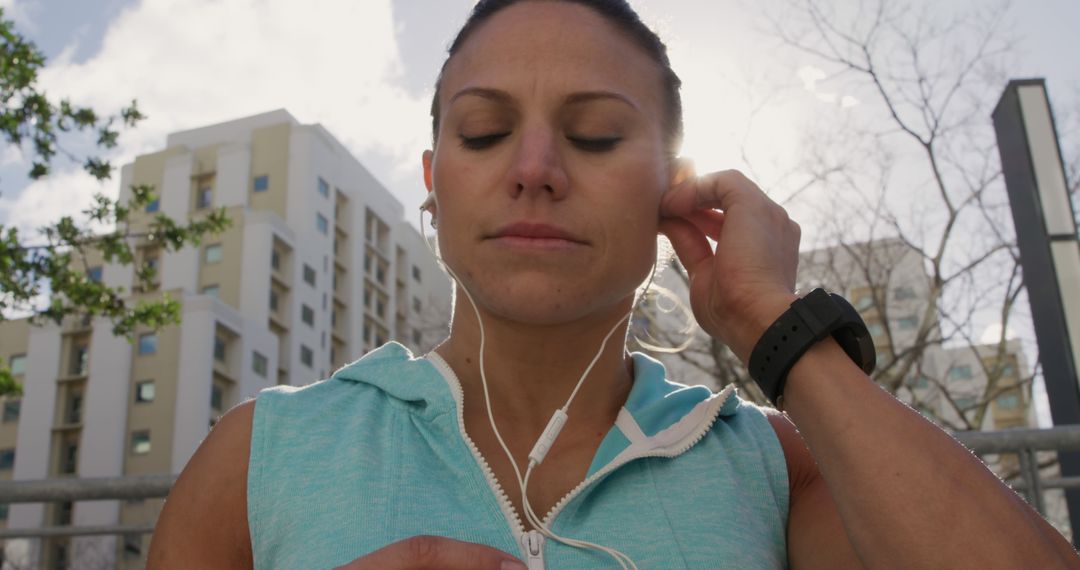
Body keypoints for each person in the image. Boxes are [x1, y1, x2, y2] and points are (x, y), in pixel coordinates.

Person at [148, 0, 1079, 568]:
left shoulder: (776, 468)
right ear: (433, 186)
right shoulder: (259, 456)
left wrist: (780, 331)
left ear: (671, 185)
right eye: (482, 132)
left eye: (595, 133)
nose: (537, 167)